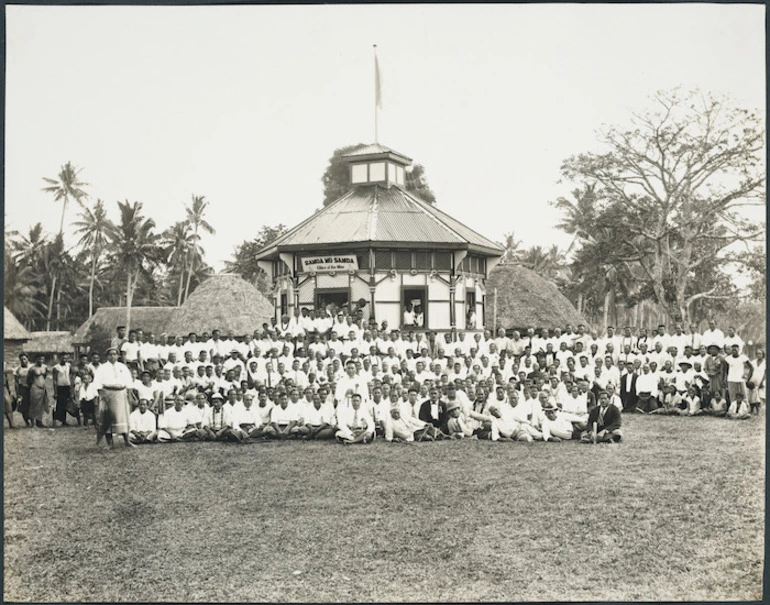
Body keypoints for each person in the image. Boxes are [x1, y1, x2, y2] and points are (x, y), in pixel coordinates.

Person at [93, 347, 135, 448]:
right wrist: (102, 396)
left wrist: (129, 393)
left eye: (114, 354)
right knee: (108, 418)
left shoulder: (122, 367)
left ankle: (127, 441)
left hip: (121, 393)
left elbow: (128, 381)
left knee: (122, 418)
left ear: (118, 356)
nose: (113, 356)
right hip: (108, 393)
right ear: (107, 356)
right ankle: (110, 443)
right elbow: (97, 383)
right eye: (110, 354)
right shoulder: (102, 368)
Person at [27, 355, 49, 428]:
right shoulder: (32, 368)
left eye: (42, 359)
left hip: (43, 387)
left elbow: (44, 376)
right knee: (34, 405)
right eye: (39, 359)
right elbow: (28, 379)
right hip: (35, 387)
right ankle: (33, 423)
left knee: (41, 405)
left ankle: (39, 422)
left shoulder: (45, 367)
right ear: (36, 359)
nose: (41, 361)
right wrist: (34, 385)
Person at [52, 353, 74, 427]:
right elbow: (54, 380)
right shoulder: (56, 367)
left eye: (66, 358)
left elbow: (71, 375)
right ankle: (56, 421)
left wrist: (71, 386)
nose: (64, 360)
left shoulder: (69, 365)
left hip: (67, 386)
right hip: (60, 387)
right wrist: (55, 391)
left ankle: (64, 420)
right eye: (63, 358)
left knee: (66, 404)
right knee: (59, 404)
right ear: (59, 358)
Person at [14, 354, 32, 427]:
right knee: (23, 406)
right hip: (23, 388)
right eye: (21, 359)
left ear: (27, 359)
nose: (23, 361)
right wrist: (17, 393)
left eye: (24, 359)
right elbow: (16, 382)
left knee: (32, 405)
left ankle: (33, 422)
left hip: (31, 388)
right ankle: (27, 422)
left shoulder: (32, 367)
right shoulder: (17, 369)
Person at [746, 348, 765, 415]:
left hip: (761, 380)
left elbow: (765, 373)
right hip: (753, 379)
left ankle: (758, 410)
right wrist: (748, 379)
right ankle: (751, 409)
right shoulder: (753, 362)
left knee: (758, 396)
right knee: (751, 395)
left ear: (763, 354)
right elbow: (750, 371)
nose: (758, 355)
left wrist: (762, 382)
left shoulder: (765, 362)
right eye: (757, 353)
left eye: (760, 353)